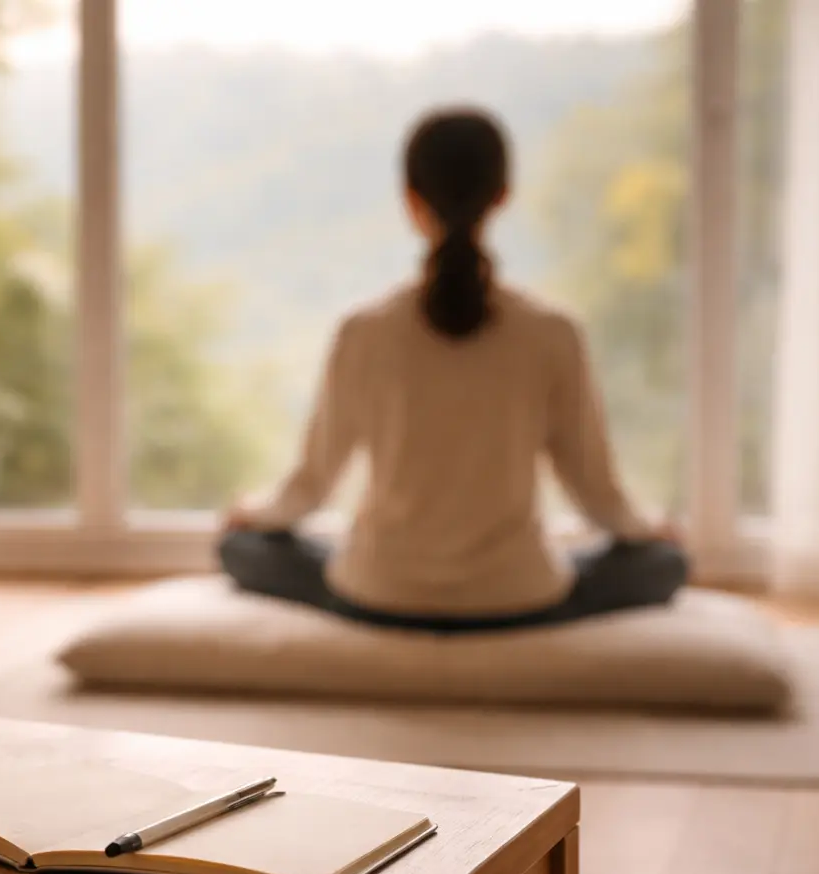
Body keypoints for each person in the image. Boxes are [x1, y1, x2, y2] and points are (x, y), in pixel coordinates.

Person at [219, 106, 688, 634]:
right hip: (517, 600)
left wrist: (253, 513)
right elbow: (597, 495)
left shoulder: (362, 331)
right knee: (665, 565)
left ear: (410, 200)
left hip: (379, 596)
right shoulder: (554, 333)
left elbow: (311, 486)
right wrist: (649, 530)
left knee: (241, 549)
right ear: (503, 196)